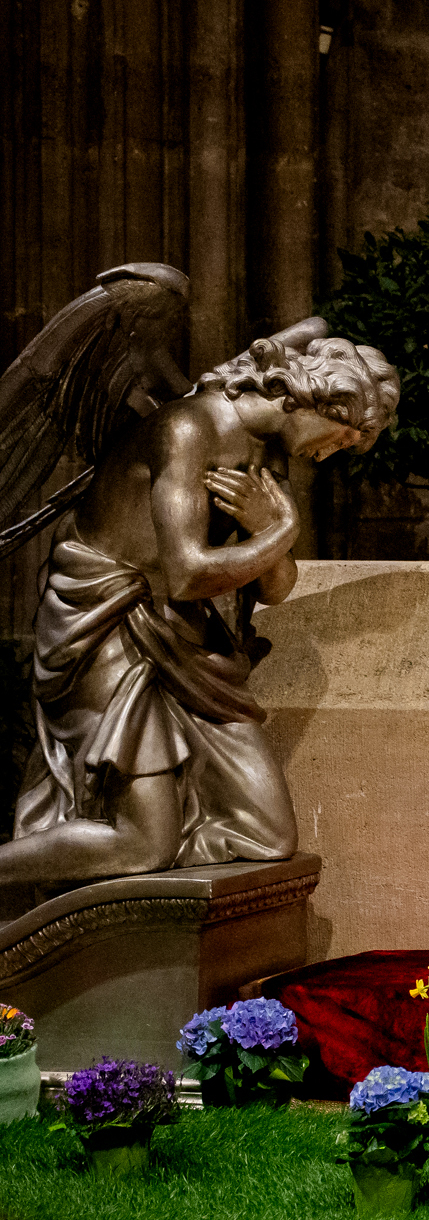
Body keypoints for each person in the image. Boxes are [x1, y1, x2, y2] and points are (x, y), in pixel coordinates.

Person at [0, 328, 398, 903]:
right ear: (316, 399)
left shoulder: (269, 455)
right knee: (143, 842)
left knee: (267, 835)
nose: (331, 452)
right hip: (105, 622)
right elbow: (188, 572)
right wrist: (283, 530)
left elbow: (277, 586)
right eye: (343, 437)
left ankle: (155, 859)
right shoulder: (189, 428)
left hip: (182, 632)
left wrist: (267, 531)